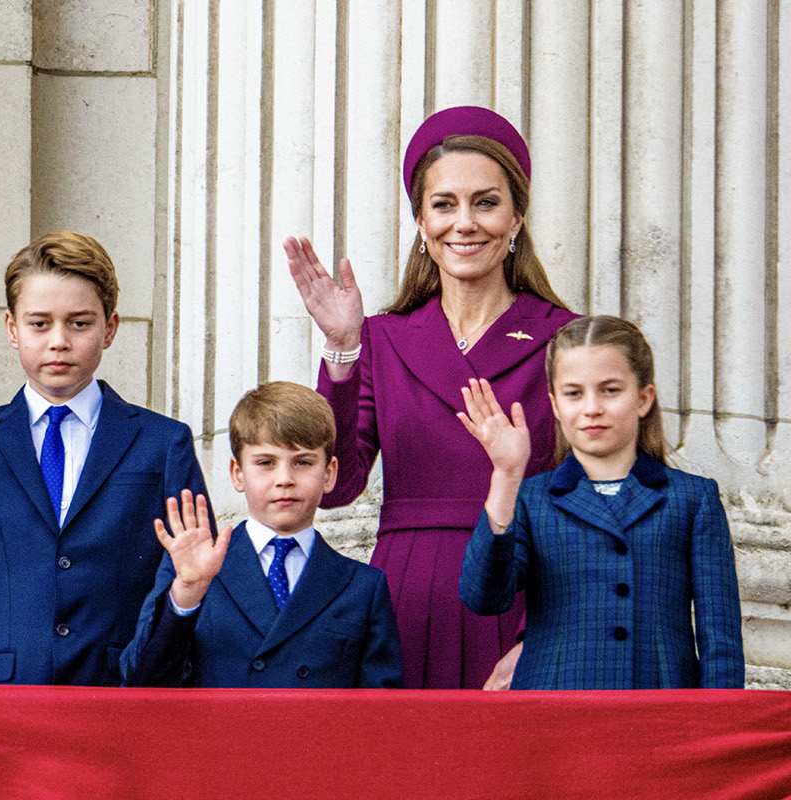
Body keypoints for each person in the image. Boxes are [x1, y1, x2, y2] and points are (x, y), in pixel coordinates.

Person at [285, 105, 578, 689]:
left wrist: (543, 636)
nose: (464, 223)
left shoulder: (565, 339)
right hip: (405, 600)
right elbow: (337, 487)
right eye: (444, 205)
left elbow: (584, 507)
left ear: (517, 217)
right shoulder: (381, 339)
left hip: (523, 595)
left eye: (486, 203)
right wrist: (342, 348)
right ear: (421, 221)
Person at [0, 231, 210, 686]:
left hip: (120, 698)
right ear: (12, 328)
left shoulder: (163, 443)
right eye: (39, 324)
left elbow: (188, 579)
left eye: (79, 323)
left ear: (110, 328)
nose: (59, 341)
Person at [458, 316, 744, 688]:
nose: (591, 407)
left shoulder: (692, 498)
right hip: (554, 706)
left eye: (610, 390)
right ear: (555, 405)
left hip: (659, 704)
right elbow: (483, 597)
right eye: (574, 393)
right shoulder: (530, 498)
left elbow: (720, 638)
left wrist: (719, 719)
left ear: (643, 399)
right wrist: (506, 476)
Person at [122, 381, 403, 688]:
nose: (285, 479)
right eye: (266, 463)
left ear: (329, 473)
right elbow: (141, 682)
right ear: (237, 473)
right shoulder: (195, 570)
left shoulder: (363, 586)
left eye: (303, 462)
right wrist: (186, 595)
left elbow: (380, 706)